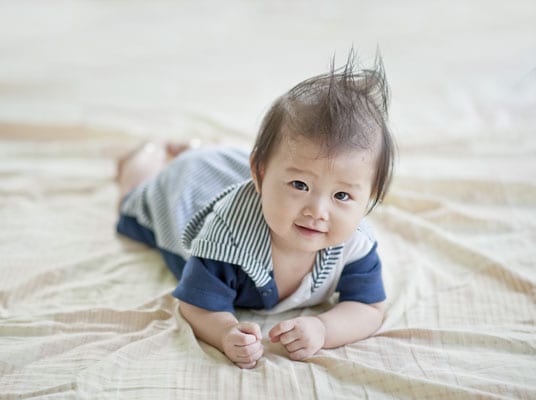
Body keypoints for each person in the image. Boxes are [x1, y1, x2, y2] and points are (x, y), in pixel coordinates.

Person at [116, 52, 395, 369]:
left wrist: (324, 328)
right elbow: (195, 305)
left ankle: (203, 147)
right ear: (260, 174)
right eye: (300, 186)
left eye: (342, 195)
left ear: (370, 197)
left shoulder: (355, 244)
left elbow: (369, 307)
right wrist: (225, 332)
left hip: (240, 172)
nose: (317, 211)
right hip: (185, 188)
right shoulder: (227, 237)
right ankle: (146, 154)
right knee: (135, 199)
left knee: (263, 162)